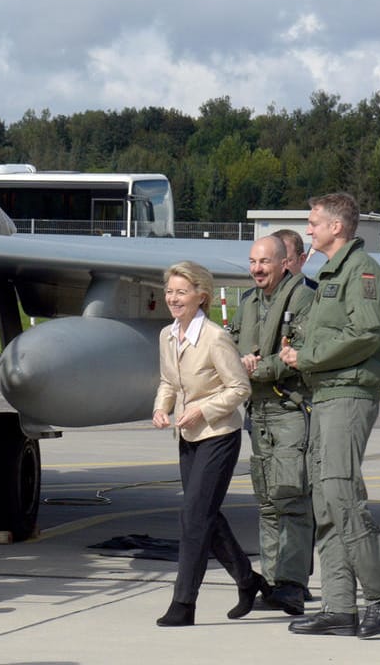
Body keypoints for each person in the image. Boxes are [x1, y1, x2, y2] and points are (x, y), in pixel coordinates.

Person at [279, 192, 380, 638]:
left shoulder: (362, 272)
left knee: (343, 498)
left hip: (349, 394)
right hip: (327, 395)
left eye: (313, 222)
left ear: (337, 227)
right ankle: (337, 606)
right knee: (326, 503)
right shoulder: (331, 272)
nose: (308, 229)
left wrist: (307, 355)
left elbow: (366, 332)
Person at [151, 260, 259, 627]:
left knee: (194, 517)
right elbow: (169, 382)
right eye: (169, 291)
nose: (173, 298)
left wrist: (203, 410)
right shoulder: (167, 335)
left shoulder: (214, 337)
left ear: (202, 296)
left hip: (218, 435)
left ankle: (184, 604)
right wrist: (161, 409)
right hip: (187, 435)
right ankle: (248, 580)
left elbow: (239, 388)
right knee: (204, 515)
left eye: (181, 292)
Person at [230, 235, 314, 615]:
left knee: (291, 497)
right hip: (258, 411)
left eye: (264, 262)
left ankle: (293, 585)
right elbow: (234, 345)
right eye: (252, 262)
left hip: (289, 409)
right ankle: (274, 582)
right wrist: (238, 363)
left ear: (284, 263)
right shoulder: (247, 301)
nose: (257, 269)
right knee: (266, 500)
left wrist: (254, 368)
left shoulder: (304, 296)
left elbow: (296, 354)